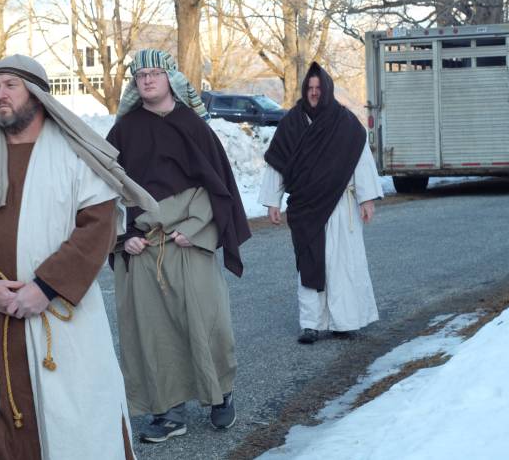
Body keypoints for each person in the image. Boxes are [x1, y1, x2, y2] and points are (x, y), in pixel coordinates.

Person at [0, 55, 157, 459]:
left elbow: (96, 227)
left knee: (76, 422)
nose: (0, 95)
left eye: (10, 85)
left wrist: (46, 287)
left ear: (38, 94)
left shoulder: (74, 156)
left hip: (58, 318)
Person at [107, 49, 251, 443]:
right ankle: (168, 412)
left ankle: (220, 395)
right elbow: (104, 193)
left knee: (208, 322)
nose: (148, 81)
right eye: (140, 77)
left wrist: (197, 228)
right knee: (152, 334)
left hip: (188, 241)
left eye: (154, 73)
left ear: (171, 77)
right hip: (143, 247)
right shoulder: (123, 132)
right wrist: (123, 237)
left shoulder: (194, 126)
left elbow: (218, 188)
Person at [258, 61, 383, 344]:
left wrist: (367, 199)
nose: (314, 93)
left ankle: (345, 321)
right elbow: (277, 163)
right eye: (310, 88)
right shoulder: (292, 122)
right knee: (309, 263)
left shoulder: (345, 122)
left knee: (342, 264)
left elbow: (360, 160)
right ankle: (310, 324)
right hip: (305, 208)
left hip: (341, 205)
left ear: (327, 90)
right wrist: (272, 201)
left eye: (318, 88)